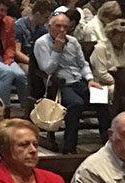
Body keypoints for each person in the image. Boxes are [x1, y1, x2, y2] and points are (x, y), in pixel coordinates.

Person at [34, 11, 107, 154]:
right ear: (50, 26)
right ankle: (69, 147)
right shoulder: (41, 43)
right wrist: (57, 50)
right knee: (76, 104)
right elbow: (47, 69)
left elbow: (83, 63)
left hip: (78, 81)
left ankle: (106, 141)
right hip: (58, 85)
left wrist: (90, 79)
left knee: (101, 97)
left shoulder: (73, 41)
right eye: (58, 26)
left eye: (65, 27)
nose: (62, 30)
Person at [90, 18, 125, 98]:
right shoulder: (100, 48)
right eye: (120, 35)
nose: (122, 39)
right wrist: (120, 83)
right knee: (120, 91)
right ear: (112, 34)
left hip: (122, 84)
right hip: (100, 86)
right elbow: (101, 74)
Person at [13, 0, 52, 71]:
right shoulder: (19, 26)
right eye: (46, 17)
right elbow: (17, 52)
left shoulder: (43, 30)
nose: (47, 21)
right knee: (30, 71)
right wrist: (32, 63)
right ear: (37, 15)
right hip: (22, 61)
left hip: (37, 60)